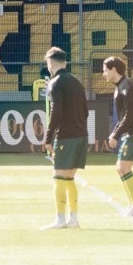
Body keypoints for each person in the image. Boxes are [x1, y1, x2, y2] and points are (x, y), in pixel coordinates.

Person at [41, 46, 88, 230]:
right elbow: (85, 111)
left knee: (58, 176)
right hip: (81, 135)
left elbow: (56, 112)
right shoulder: (77, 82)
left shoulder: (55, 83)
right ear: (65, 62)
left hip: (66, 136)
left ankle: (60, 219)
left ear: (50, 64)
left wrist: (48, 138)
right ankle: (73, 219)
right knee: (69, 177)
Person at [100, 55, 133, 217]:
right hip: (129, 133)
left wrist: (116, 135)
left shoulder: (127, 86)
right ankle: (132, 205)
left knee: (123, 167)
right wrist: (115, 133)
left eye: (105, 70)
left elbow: (130, 114)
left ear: (114, 69)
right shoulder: (121, 86)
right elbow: (124, 116)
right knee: (121, 168)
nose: (104, 74)